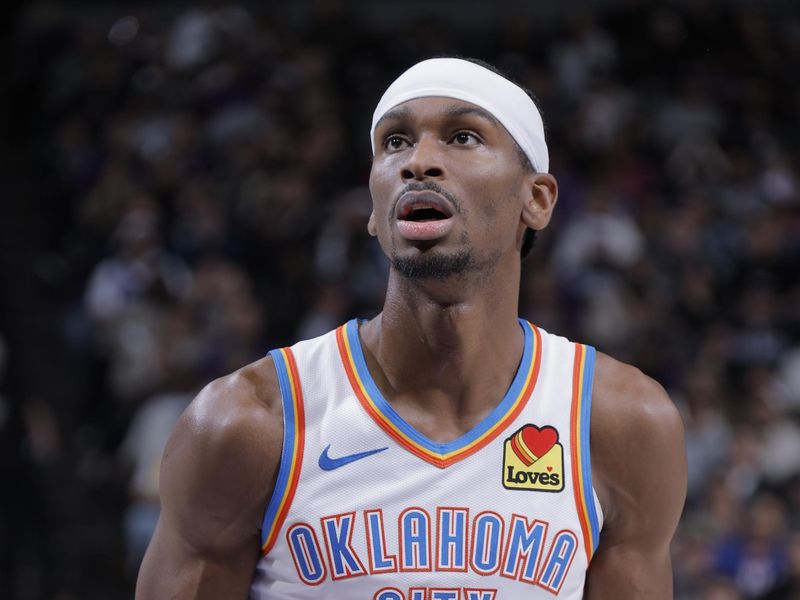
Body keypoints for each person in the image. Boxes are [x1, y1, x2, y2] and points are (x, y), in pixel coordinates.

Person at [136, 57, 687, 599]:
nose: (419, 161)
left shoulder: (618, 423)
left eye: (463, 136)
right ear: (374, 210)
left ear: (536, 199)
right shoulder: (248, 423)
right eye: (396, 142)